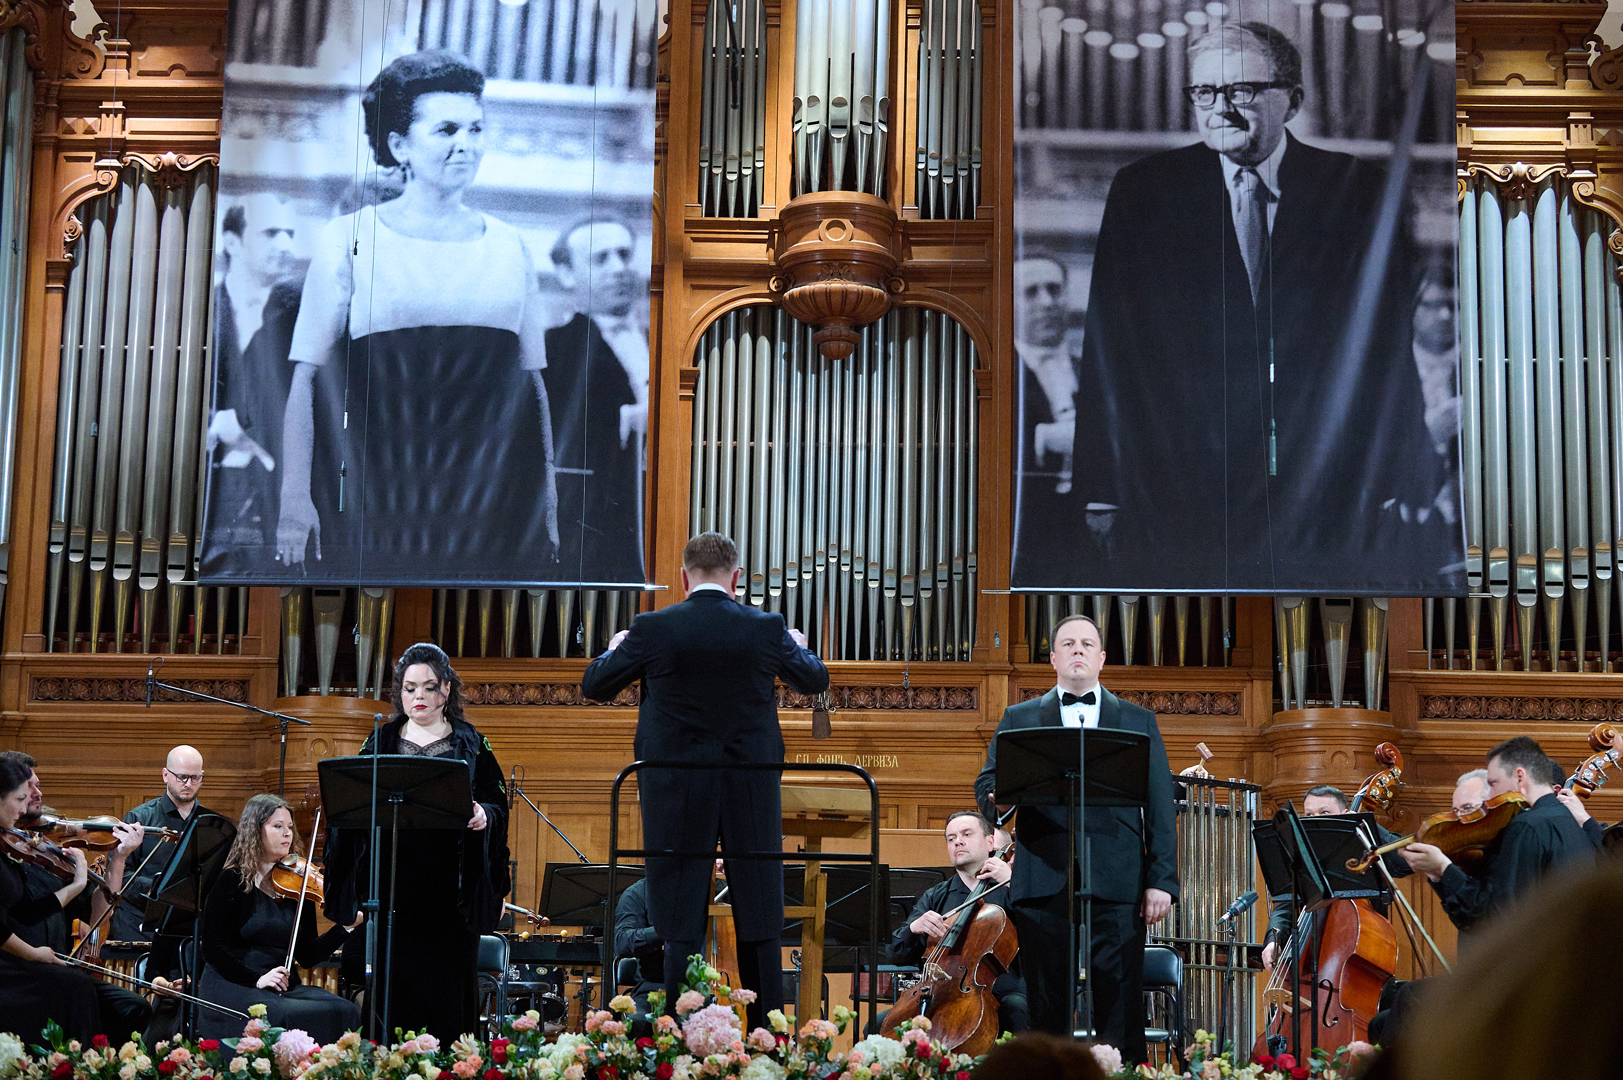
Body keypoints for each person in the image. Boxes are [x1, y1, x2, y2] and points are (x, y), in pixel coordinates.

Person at [1055, 21, 1456, 593]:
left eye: (1241, 90)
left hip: (1322, 485)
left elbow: (1386, 348)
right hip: (1179, 482)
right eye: (1205, 92)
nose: (1221, 108)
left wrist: (1401, 472)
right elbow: (1108, 346)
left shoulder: (1357, 190)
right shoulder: (1144, 191)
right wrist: (1101, 486)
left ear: (1292, 100)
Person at [276, 50, 558, 584]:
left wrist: (549, 500)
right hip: (379, 491)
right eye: (447, 129)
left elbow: (534, 387)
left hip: (495, 498)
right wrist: (295, 497)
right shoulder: (348, 237)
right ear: (399, 144)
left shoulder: (512, 245)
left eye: (475, 129)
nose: (465, 144)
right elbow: (306, 380)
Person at [581, 531, 829, 1029]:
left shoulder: (652, 628)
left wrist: (615, 648)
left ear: (683, 577)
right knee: (760, 913)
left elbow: (595, 684)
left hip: (675, 790)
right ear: (736, 578)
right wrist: (799, 646)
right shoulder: (767, 627)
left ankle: (680, 1035)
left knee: (678, 919)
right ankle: (768, 1037)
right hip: (749, 787)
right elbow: (814, 678)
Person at [974, 613, 1178, 1065]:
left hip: (1118, 878)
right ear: (1053, 658)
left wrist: (1161, 880)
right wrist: (999, 801)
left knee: (1120, 1000)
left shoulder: (1138, 720)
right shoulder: (1020, 717)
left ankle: (1122, 1075)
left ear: (1102, 658)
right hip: (1043, 876)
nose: (1078, 650)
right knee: (1046, 1002)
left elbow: (1161, 806)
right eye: (1068, 644)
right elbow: (988, 784)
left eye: (1087, 643)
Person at [323, 642, 510, 1043]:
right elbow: (351, 807)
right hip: (394, 891)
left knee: (447, 995)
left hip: (452, 895)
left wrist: (485, 815)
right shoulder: (381, 741)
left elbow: (498, 803)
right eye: (410, 689)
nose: (418, 697)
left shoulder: (471, 742)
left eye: (428, 687)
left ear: (446, 690)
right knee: (393, 994)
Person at [0, 751, 153, 1038]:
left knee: (133, 1008)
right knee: (76, 990)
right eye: (27, 789)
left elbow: (97, 919)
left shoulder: (48, 849)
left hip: (51, 965)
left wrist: (119, 858)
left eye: (37, 785)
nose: (37, 793)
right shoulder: (9, 854)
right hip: (16, 967)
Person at [197, 794, 361, 1041]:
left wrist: (345, 927)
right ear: (255, 831)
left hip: (282, 987)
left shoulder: (299, 884)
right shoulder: (232, 880)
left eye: (290, 827)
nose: (287, 833)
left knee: (344, 1010)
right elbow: (213, 948)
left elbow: (306, 955)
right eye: (278, 826)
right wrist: (257, 979)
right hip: (234, 983)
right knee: (283, 1015)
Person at [544, 214, 649, 585]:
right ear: (566, 274)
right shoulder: (550, 351)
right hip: (596, 528)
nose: (619, 268)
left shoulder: (666, 340)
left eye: (625, 254)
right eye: (601, 258)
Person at [1400, 737, 1594, 936]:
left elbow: (1496, 920)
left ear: (1520, 777)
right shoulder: (1566, 818)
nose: (1490, 796)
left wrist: (1443, 869)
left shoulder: (1526, 825)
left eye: (1493, 783)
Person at [205, 193, 304, 563]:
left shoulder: (304, 313)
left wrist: (247, 429)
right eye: (271, 233)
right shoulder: (199, 312)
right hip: (207, 497)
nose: (286, 245)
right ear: (232, 242)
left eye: (291, 234)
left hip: (283, 500)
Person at [887, 811, 1027, 1035]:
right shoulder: (936, 896)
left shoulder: (1011, 888)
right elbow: (895, 952)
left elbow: (1043, 934)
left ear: (990, 842)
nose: (957, 842)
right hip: (940, 994)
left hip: (999, 992)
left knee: (1016, 1009)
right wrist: (914, 928)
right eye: (951, 838)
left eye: (966, 834)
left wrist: (1014, 884)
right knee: (880, 1024)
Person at [0, 755, 104, 1042]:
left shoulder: (6, 848)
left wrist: (79, 884)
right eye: (20, 799)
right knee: (75, 987)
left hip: (14, 964)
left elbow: (26, 913)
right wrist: (33, 953)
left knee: (78, 986)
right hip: (6, 966)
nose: (24, 809)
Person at [1259, 784, 1411, 972]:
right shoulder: (1301, 857)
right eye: (1309, 815)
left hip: (1359, 964)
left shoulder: (1368, 849)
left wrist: (1366, 825)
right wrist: (1273, 941)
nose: (1315, 820)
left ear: (1345, 814)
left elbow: (1405, 863)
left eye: (1324, 813)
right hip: (1311, 961)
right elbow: (1286, 904)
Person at [1010, 256, 1083, 588]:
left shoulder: (1095, 369)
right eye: (1031, 292)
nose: (1047, 302)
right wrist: (1046, 438)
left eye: (1054, 290)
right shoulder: (1001, 374)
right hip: (1027, 534)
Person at [113, 745, 220, 964]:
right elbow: (120, 876)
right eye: (181, 777)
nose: (188, 784)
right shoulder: (139, 818)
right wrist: (159, 887)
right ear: (165, 775)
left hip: (189, 931)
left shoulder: (211, 824)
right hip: (139, 927)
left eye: (195, 778)